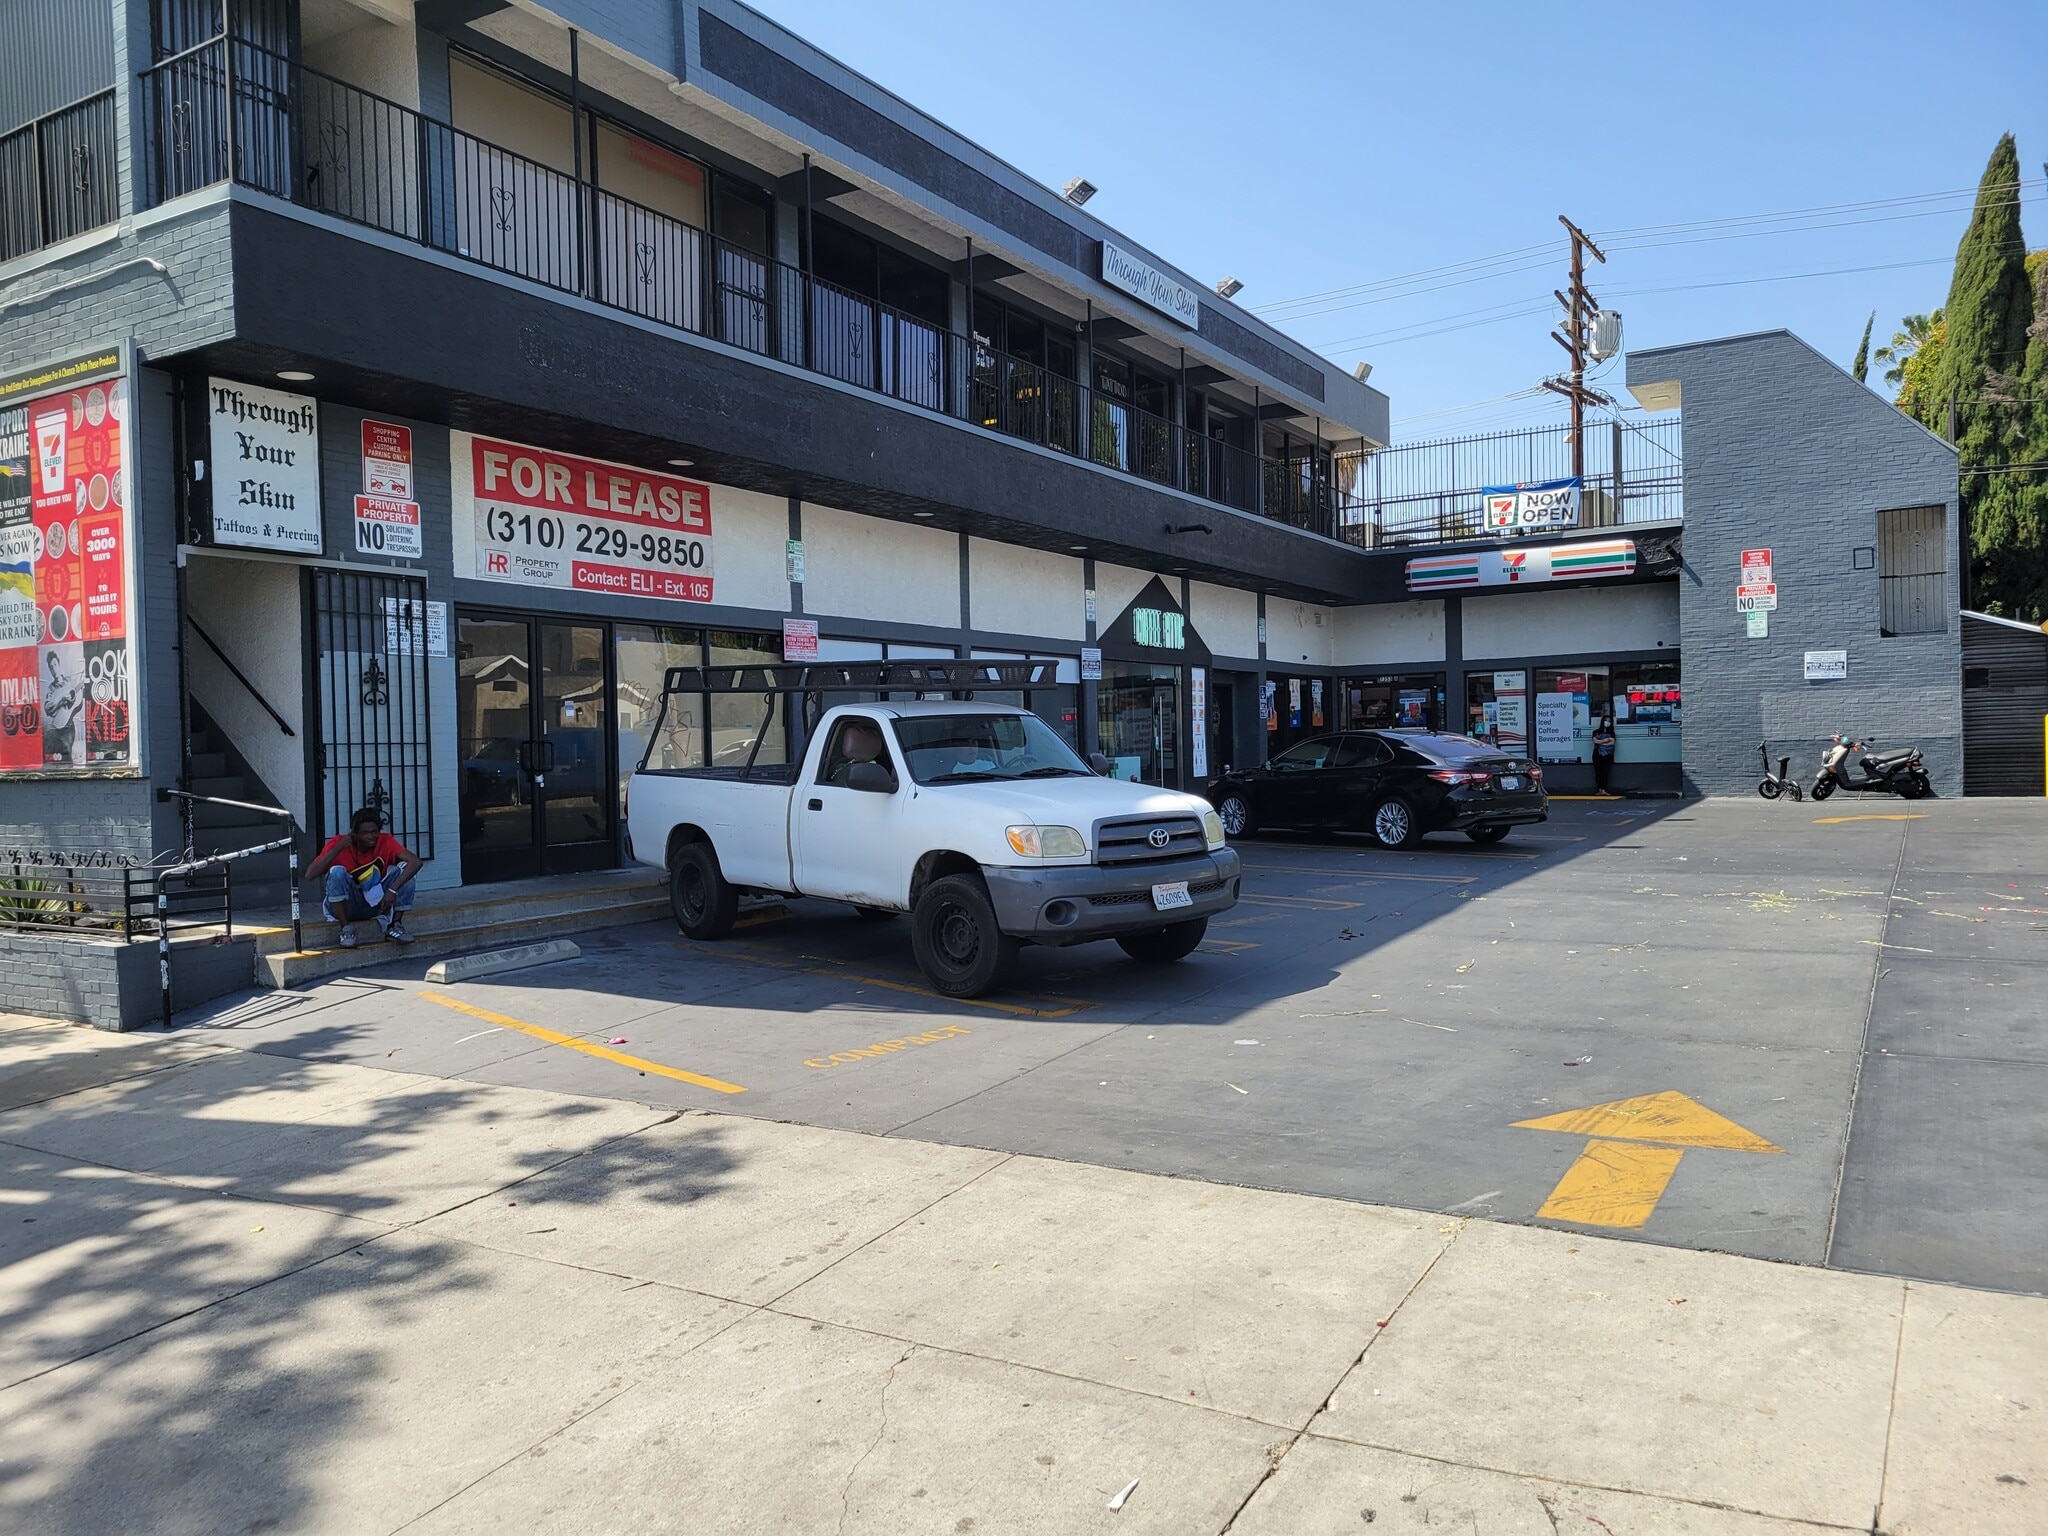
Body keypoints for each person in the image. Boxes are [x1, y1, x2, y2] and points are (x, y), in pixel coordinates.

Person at [305, 807, 423, 948]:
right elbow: (310, 874)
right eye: (365, 833)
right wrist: (338, 848)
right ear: (354, 834)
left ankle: (395, 926)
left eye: (374, 832)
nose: (371, 836)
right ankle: (346, 930)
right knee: (336, 872)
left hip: (375, 904)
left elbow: (415, 862)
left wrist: (392, 890)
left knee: (407, 873)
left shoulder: (385, 841)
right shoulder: (339, 843)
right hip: (346, 906)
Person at [1591, 714, 1618, 795]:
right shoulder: (1596, 732)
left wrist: (1601, 742)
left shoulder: (1611, 732)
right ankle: (1599, 789)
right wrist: (1606, 740)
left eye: (1609, 721)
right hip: (1597, 754)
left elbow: (1612, 743)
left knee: (1605, 772)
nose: (1607, 723)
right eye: (1606, 721)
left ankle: (1603, 789)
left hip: (1607, 755)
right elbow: (1595, 741)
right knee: (1598, 772)